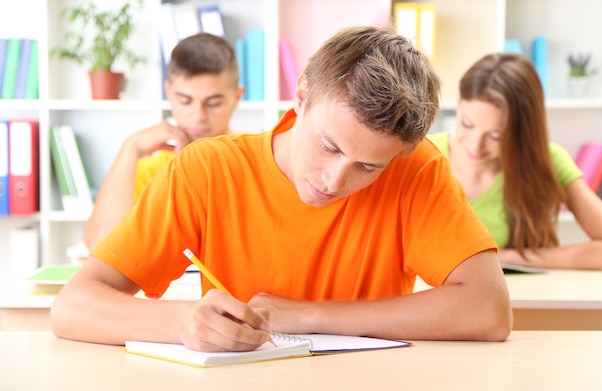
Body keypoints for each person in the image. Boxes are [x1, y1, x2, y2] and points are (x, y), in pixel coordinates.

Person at [51, 25, 512, 352]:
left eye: (368, 167)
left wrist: (308, 315)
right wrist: (181, 323)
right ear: (300, 95)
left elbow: (488, 309)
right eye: (328, 146)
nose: (334, 181)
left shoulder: (416, 169)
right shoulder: (207, 170)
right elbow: (73, 306)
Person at [427, 52, 602, 271]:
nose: (475, 145)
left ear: (524, 132)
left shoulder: (548, 160)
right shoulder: (425, 155)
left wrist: (510, 257)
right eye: (466, 124)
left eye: (496, 136)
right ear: (458, 103)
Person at [83, 32, 244, 250]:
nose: (198, 116)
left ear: (237, 97)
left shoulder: (255, 161)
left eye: (214, 103)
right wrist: (131, 147)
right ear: (168, 92)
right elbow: (102, 246)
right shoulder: (150, 171)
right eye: (185, 101)